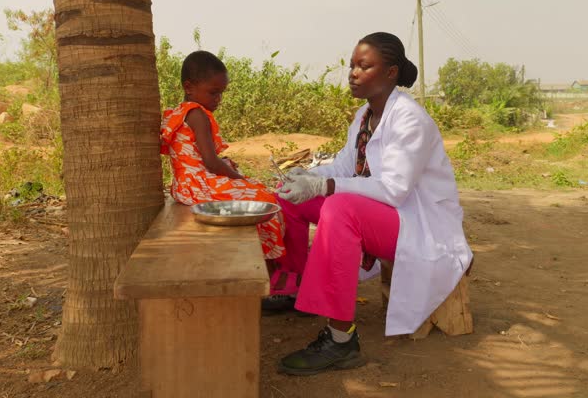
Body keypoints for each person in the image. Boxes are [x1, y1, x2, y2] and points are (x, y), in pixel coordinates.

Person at [274, 32, 473, 376]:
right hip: (387, 215)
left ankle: (340, 341)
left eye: (364, 66)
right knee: (287, 196)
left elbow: (395, 190)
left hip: (418, 224)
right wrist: (307, 176)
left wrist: (326, 186)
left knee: (339, 209)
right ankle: (295, 288)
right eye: (352, 65)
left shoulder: (409, 119)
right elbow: (344, 166)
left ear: (390, 72)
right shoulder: (364, 116)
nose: (353, 73)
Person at [160, 50, 299, 296]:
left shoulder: (180, 112)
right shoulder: (197, 114)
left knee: (256, 192)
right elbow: (211, 163)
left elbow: (199, 157)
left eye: (221, 93)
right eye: (214, 92)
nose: (219, 99)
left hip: (185, 186)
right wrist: (240, 179)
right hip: (198, 186)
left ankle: (269, 267)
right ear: (189, 87)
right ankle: (268, 273)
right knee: (265, 199)